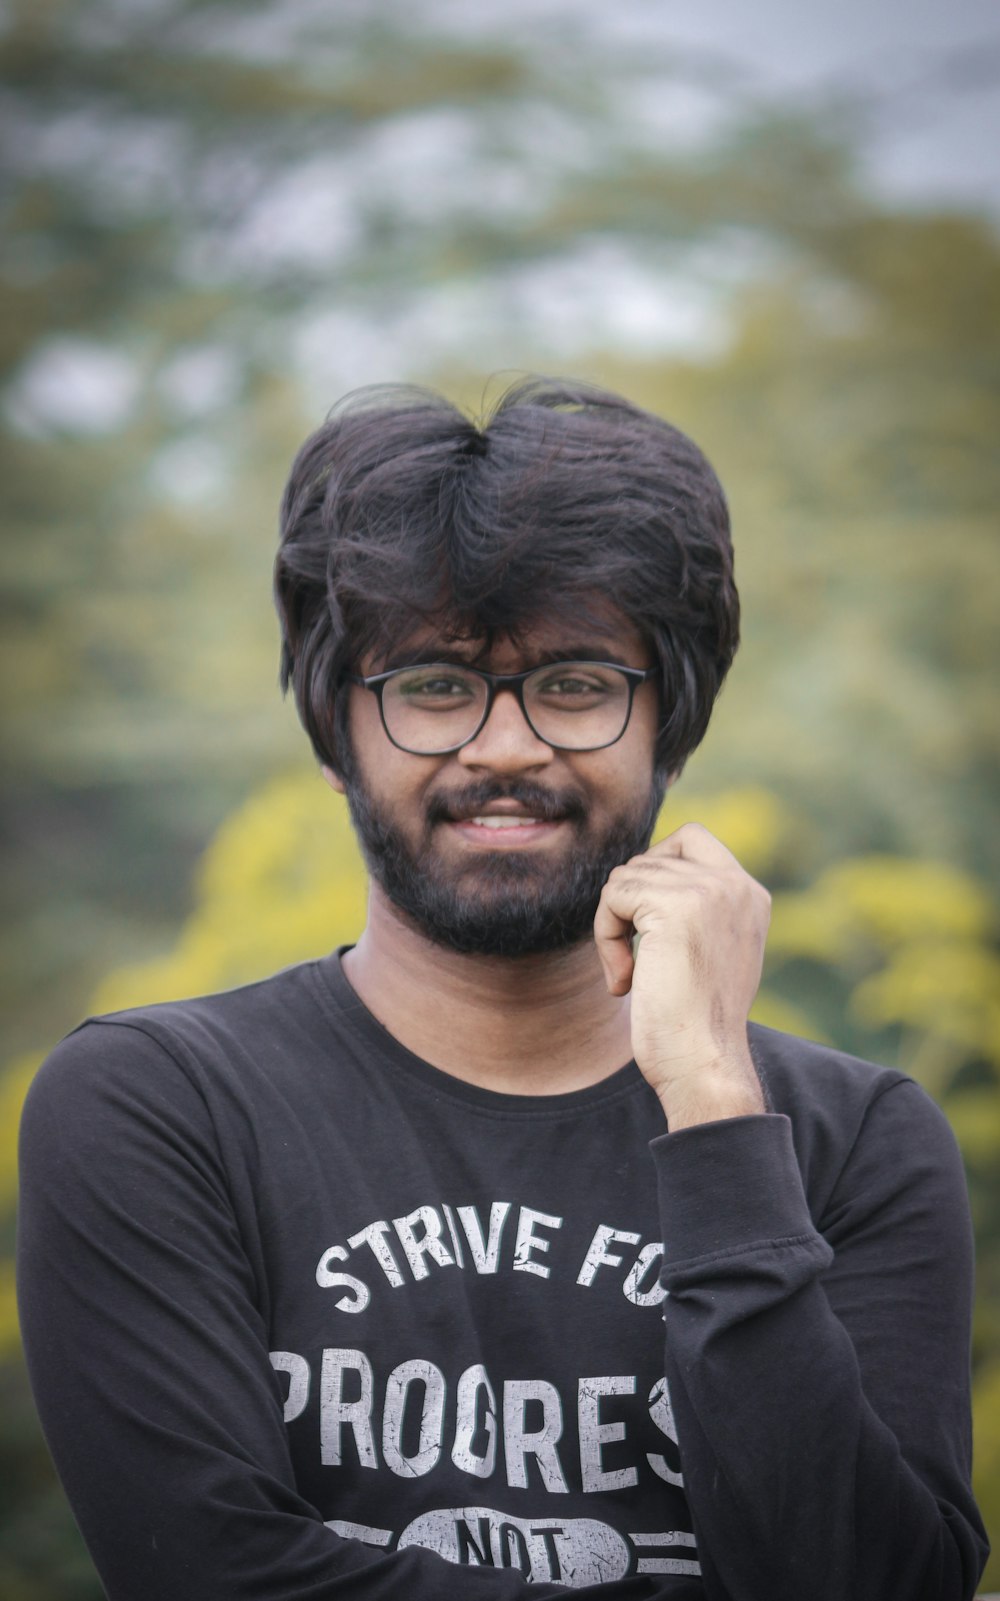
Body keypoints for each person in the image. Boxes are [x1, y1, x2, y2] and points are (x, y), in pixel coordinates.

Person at [17, 378, 988, 1600]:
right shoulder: (160, 1107)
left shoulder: (856, 1138)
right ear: (335, 734)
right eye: (432, 685)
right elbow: (211, 1573)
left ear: (668, 728)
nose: (506, 746)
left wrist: (710, 1101)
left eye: (576, 683)